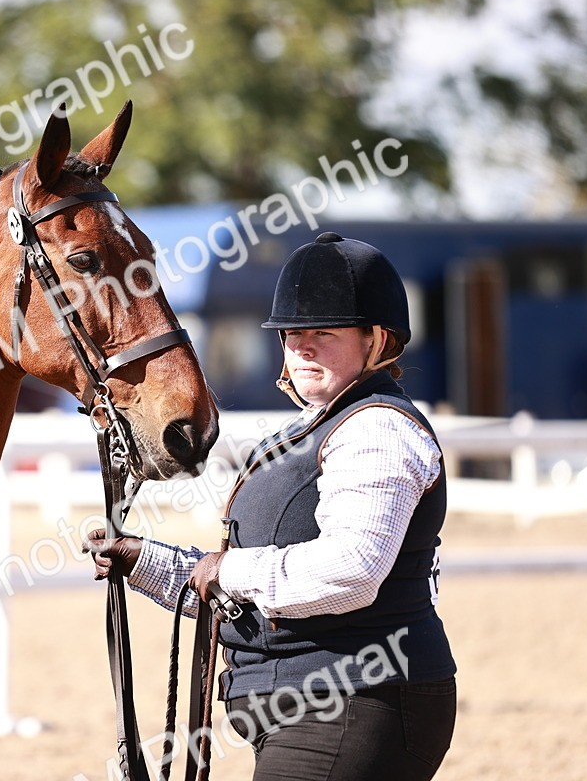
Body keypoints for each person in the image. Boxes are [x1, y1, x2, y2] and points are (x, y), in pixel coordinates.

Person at [84, 232, 457, 781]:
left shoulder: (376, 429)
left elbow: (351, 570)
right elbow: (250, 592)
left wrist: (228, 570)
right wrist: (147, 563)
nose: (303, 347)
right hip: (316, 706)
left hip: (356, 702)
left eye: (324, 333)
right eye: (293, 334)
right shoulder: (313, 428)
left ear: (377, 341)